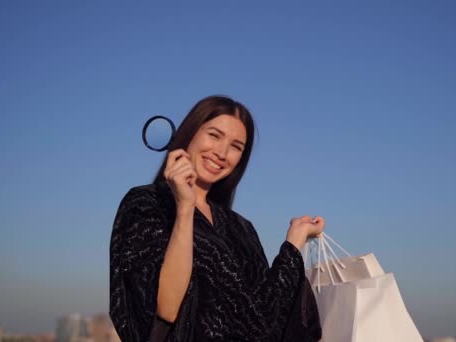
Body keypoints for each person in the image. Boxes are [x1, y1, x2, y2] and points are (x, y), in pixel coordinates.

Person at [109, 95, 324, 341]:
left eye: (236, 146)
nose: (221, 152)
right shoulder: (146, 203)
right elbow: (165, 310)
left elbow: (267, 319)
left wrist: (294, 242)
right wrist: (185, 209)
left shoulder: (241, 228)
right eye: (214, 135)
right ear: (190, 134)